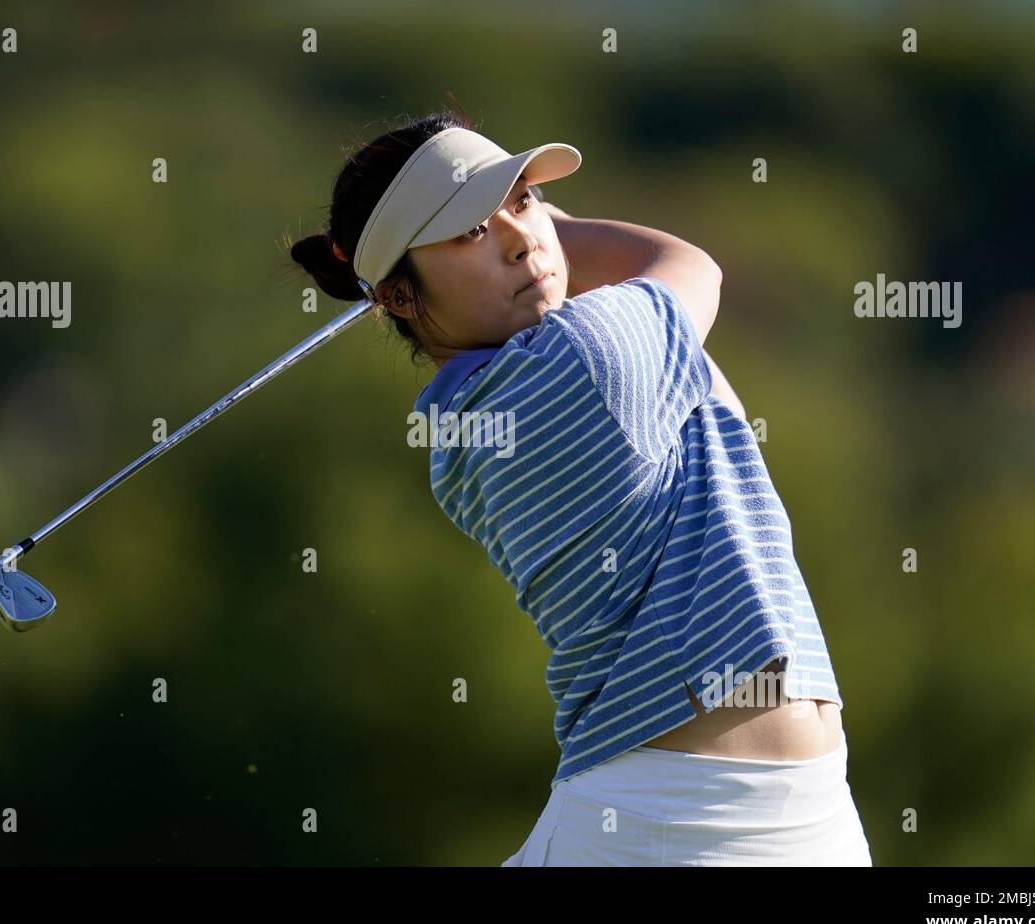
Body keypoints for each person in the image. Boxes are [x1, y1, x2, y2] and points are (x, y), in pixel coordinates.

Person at [288, 109, 872, 866]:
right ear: (398, 298)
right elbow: (689, 264)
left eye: (522, 200)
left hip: (774, 818)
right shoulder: (582, 360)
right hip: (680, 831)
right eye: (469, 232)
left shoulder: (461, 427)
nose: (519, 237)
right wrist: (561, 225)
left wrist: (518, 233)